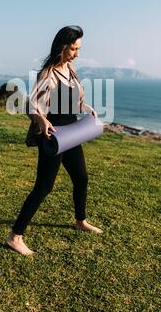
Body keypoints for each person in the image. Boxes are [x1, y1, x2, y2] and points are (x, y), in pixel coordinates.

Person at [6, 25, 103, 256]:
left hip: (73, 133)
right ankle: (14, 236)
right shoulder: (47, 74)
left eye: (78, 49)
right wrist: (41, 121)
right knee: (44, 187)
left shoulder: (70, 69)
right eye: (73, 49)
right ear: (62, 47)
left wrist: (87, 109)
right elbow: (31, 106)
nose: (77, 53)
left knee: (81, 177)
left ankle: (80, 220)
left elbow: (73, 102)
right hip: (54, 137)